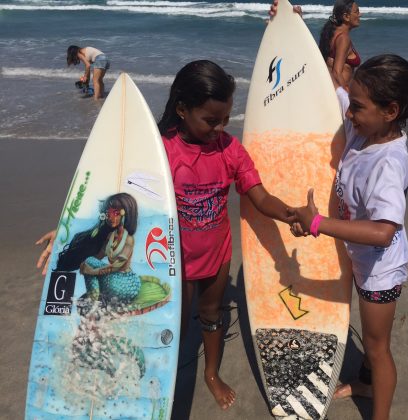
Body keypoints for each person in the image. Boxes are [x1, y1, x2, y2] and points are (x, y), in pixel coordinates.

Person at [36, 60, 298, 411]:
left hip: (217, 253)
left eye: (225, 119)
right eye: (210, 120)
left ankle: (211, 373)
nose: (220, 128)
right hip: (174, 261)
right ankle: (161, 374)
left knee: (212, 313)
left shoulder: (229, 150)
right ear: (182, 109)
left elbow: (260, 196)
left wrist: (292, 215)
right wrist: (68, 232)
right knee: (174, 321)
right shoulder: (161, 152)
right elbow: (119, 201)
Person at [289, 54, 408, 420]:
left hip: (380, 269)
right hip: (359, 255)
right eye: (351, 104)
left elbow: (383, 232)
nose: (349, 113)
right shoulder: (362, 128)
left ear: (390, 111)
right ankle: (365, 383)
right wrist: (287, 21)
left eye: (357, 107)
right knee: (370, 340)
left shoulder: (388, 161)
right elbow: (332, 83)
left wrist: (318, 223)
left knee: (377, 346)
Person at [319, 0, 361, 91]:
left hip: (330, 90)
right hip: (339, 92)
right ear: (346, 16)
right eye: (356, 12)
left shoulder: (331, 34)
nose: (360, 15)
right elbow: (337, 73)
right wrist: (347, 96)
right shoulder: (343, 38)